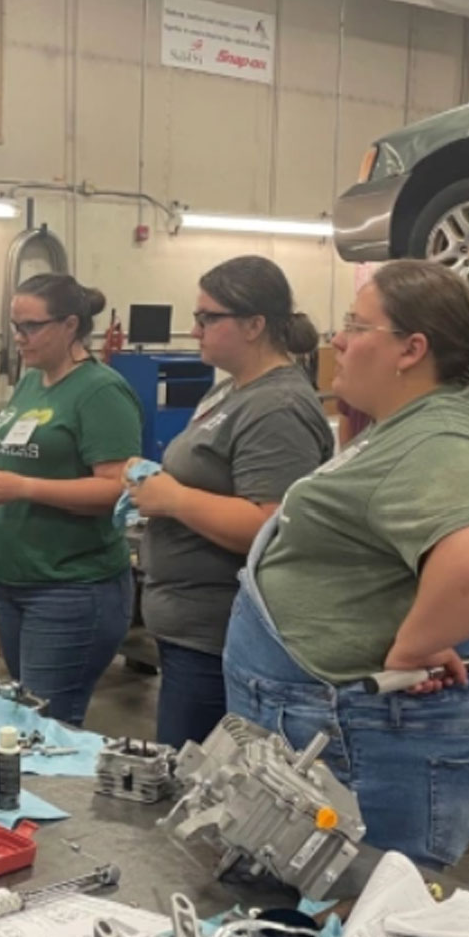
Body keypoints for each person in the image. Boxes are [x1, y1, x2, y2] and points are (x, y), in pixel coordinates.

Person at [223, 259, 469, 868]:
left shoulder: (439, 434)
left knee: (362, 923)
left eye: (356, 325)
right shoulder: (411, 424)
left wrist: (413, 649)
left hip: (361, 739)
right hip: (341, 726)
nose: (337, 340)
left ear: (411, 349)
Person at [129, 257, 332, 747]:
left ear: (254, 324)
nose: (195, 331)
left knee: (201, 790)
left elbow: (271, 526)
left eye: (207, 318)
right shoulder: (231, 392)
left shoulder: (277, 407)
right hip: (188, 630)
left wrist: (174, 498)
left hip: (219, 638)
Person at [0, 273, 142, 725]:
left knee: (45, 731)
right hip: (16, 580)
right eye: (14, 326)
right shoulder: (31, 383)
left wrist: (23, 488)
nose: (19, 338)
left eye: (30, 327)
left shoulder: (101, 391)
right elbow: (20, 457)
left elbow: (120, 489)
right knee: (25, 722)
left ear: (70, 326)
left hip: (70, 588)